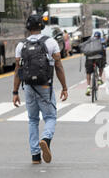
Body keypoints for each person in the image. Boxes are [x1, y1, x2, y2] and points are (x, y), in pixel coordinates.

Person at [13, 14, 68, 164]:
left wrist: (15, 92)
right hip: (45, 85)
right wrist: (64, 87)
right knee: (50, 117)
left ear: (28, 27)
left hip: (29, 87)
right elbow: (58, 66)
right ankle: (46, 139)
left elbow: (18, 70)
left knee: (32, 120)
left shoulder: (21, 45)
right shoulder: (50, 43)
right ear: (41, 26)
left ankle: (35, 156)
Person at [84, 31, 106, 96]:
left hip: (90, 59)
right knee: (101, 66)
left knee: (88, 72)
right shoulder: (102, 41)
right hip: (99, 59)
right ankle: (99, 78)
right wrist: (104, 60)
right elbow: (104, 51)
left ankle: (88, 87)